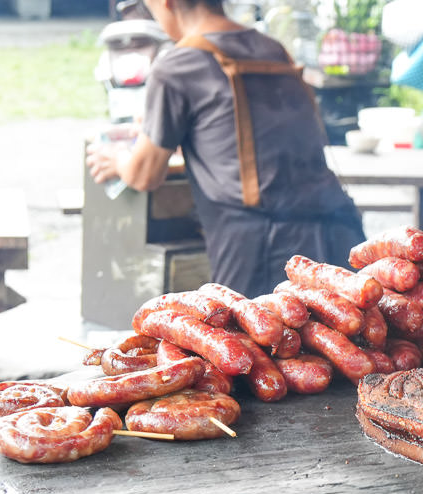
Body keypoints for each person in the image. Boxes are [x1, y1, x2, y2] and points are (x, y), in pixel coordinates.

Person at [86, 0, 366, 300]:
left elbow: (144, 173)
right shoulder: (272, 48)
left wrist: (117, 160)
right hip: (340, 233)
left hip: (265, 251)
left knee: (255, 343)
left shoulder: (177, 66)